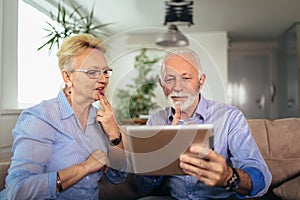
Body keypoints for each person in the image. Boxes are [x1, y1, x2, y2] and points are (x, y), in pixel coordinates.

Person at [0, 34, 127, 200]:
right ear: (68, 77)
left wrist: (115, 136)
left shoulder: (101, 119)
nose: (103, 79)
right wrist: (85, 167)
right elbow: (18, 191)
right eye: (93, 72)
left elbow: (116, 178)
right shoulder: (40, 118)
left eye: (105, 72)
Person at [135, 48, 272, 199]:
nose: (177, 87)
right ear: (161, 84)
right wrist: (160, 159)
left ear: (201, 81)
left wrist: (229, 176)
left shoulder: (230, 117)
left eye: (186, 78)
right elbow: (143, 186)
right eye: (169, 79)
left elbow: (262, 177)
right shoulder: (155, 121)